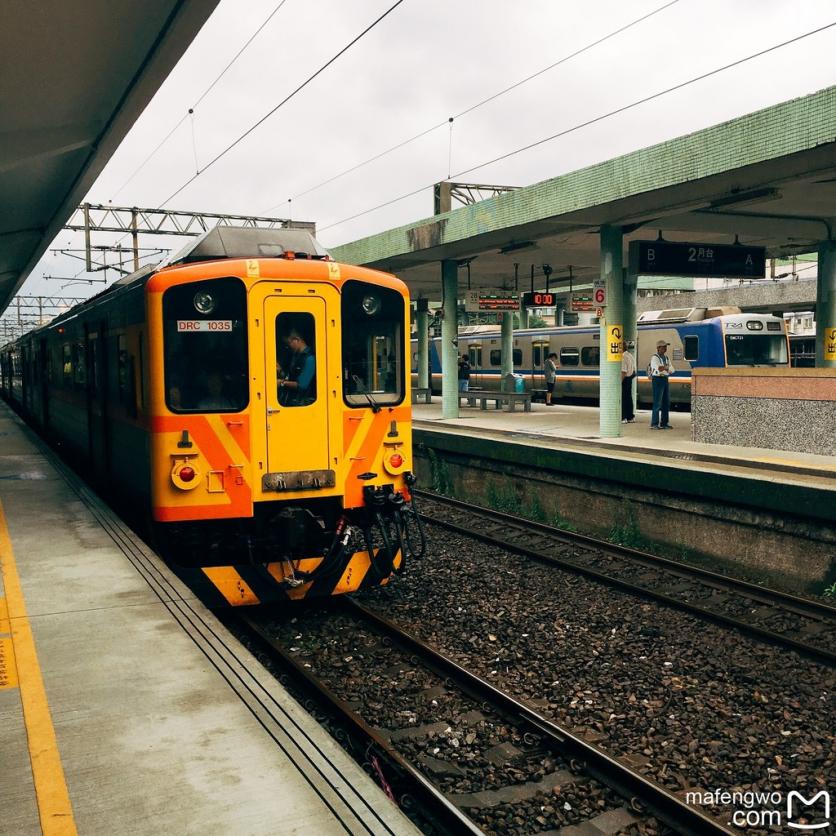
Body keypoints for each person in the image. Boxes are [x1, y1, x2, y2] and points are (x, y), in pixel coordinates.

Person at [279, 329, 316, 405]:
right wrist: (280, 370)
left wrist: (281, 383)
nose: (287, 347)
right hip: (293, 401)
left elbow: (302, 385)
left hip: (303, 403)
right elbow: (291, 377)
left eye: (288, 343)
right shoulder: (295, 356)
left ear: (296, 340)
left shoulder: (310, 358)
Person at [649, 338, 673, 429]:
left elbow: (672, 369)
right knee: (657, 402)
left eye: (666, 347)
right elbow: (659, 368)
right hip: (657, 379)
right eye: (663, 347)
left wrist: (665, 368)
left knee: (666, 402)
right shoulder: (654, 357)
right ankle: (654, 423)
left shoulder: (666, 358)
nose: (665, 349)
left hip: (665, 379)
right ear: (658, 348)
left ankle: (664, 423)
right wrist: (666, 368)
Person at [620, 341, 636, 423]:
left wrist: (619, 382)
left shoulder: (622, 357)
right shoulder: (630, 355)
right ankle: (630, 417)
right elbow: (634, 371)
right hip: (629, 379)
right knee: (629, 398)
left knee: (622, 399)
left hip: (624, 379)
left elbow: (623, 372)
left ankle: (623, 417)